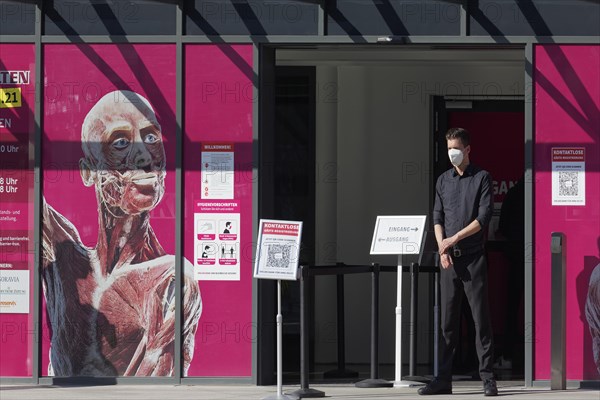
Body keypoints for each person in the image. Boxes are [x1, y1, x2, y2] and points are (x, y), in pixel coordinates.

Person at [42, 90, 202, 377]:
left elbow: (159, 388)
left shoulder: (171, 280)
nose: (144, 156)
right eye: (120, 142)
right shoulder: (62, 254)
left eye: (152, 138)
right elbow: (15, 187)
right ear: (88, 171)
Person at [418, 127, 497, 396]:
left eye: (456, 149)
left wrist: (454, 239)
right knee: (447, 325)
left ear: (467, 150)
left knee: (480, 321)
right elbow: (437, 216)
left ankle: (487, 378)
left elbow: (483, 218)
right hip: (449, 261)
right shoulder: (443, 181)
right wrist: (442, 246)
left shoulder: (482, 178)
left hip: (473, 258)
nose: (452, 153)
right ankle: (442, 380)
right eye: (449, 148)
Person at [494, 176, 525, 370]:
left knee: (512, 308)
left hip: (516, 256)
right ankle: (547, 356)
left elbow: (502, 227)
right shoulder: (542, 192)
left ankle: (507, 356)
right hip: (544, 259)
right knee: (545, 306)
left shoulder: (514, 193)